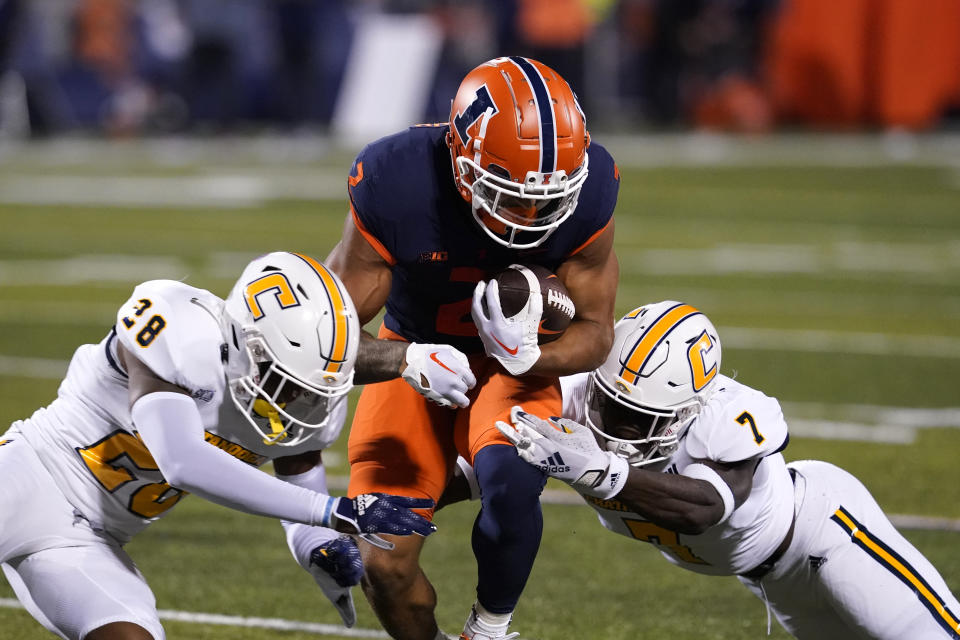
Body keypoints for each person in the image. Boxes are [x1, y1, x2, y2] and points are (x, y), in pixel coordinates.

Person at [326, 56, 620, 640]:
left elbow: (595, 331)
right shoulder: (398, 179)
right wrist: (405, 360)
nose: (532, 215)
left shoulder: (589, 193)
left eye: (549, 198)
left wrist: (530, 358)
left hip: (515, 365)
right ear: (463, 161)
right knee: (384, 560)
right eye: (510, 195)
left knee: (513, 482)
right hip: (415, 352)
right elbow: (326, 339)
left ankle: (489, 628)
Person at [0, 251, 437, 640]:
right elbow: (182, 461)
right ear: (247, 343)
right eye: (284, 379)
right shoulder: (181, 332)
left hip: (93, 541)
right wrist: (333, 512)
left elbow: (300, 498)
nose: (295, 400)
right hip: (31, 475)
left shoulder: (305, 406)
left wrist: (320, 547)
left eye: (308, 387)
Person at [496, 300, 960, 639]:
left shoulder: (730, 415)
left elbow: (705, 508)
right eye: (610, 404)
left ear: (688, 409)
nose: (616, 426)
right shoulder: (575, 395)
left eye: (639, 418)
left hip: (825, 532)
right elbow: (483, 456)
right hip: (769, 580)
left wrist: (602, 471)